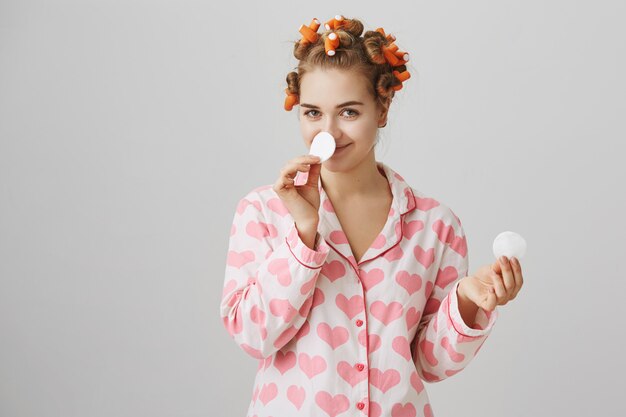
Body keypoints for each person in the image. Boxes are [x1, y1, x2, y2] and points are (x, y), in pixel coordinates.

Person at [220, 15, 524, 417]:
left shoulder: (435, 227)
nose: (328, 132)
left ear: (382, 109)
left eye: (348, 112)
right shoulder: (263, 211)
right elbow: (253, 334)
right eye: (312, 113)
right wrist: (304, 236)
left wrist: (468, 300)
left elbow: (431, 363)